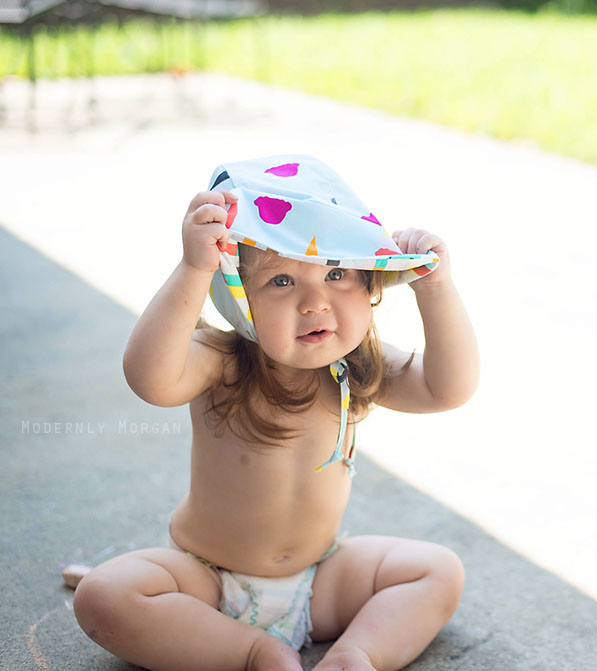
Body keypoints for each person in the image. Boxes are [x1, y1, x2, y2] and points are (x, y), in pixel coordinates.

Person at [72, 155, 479, 671]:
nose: (316, 302)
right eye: (281, 282)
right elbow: (149, 379)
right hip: (208, 581)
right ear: (237, 298)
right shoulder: (220, 361)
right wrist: (195, 267)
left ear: (370, 281)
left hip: (320, 580)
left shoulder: (356, 365)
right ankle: (252, 653)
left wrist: (436, 290)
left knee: (437, 570)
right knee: (105, 595)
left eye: (336, 272)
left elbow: (448, 389)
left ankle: (355, 655)